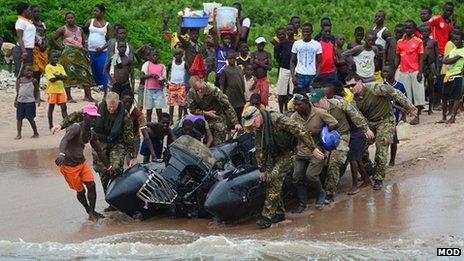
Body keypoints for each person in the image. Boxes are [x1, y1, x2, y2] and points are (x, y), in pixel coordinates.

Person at [242, 105, 322, 228]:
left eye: (254, 122)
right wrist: (262, 169)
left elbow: (299, 130)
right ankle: (279, 213)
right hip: (274, 153)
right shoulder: (258, 128)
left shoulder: (277, 119)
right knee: (269, 179)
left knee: (274, 177)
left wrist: (313, 148)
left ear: (258, 115)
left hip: (288, 152)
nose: (253, 125)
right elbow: (260, 148)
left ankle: (266, 216)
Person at [53, 92, 135, 204]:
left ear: (118, 104)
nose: (111, 109)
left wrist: (131, 154)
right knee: (103, 171)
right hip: (99, 140)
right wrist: (61, 125)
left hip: (117, 142)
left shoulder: (124, 114)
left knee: (115, 168)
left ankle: (118, 196)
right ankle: (110, 199)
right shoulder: (95, 109)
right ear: (105, 102)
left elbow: (129, 134)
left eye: (114, 107)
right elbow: (77, 115)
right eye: (109, 106)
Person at [346, 73, 416, 190]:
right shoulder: (352, 98)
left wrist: (410, 108)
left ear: (359, 82)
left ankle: (378, 177)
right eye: (348, 86)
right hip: (370, 123)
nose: (350, 88)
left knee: (381, 146)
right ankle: (370, 170)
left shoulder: (375, 88)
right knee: (359, 147)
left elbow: (395, 93)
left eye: (352, 85)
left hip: (386, 120)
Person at [312, 87, 373, 202]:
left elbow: (355, 115)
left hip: (342, 136)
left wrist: (366, 129)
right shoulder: (314, 111)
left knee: (335, 162)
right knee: (321, 161)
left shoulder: (339, 104)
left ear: (325, 98)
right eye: (314, 103)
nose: (316, 105)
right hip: (324, 138)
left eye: (318, 102)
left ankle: (329, 193)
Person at [55, 104, 113, 221]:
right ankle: (88, 210)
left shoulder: (91, 134)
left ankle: (92, 212)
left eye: (95, 117)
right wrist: (61, 154)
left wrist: (109, 166)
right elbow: (64, 140)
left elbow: (100, 151)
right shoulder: (75, 128)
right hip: (69, 166)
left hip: (82, 163)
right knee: (80, 191)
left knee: (92, 185)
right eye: (91, 117)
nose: (93, 120)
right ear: (84, 116)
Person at [290, 92, 338, 213]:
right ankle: (302, 203)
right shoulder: (294, 117)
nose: (296, 108)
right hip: (301, 151)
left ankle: (321, 192)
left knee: (311, 175)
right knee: (296, 177)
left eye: (299, 105)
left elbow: (335, 124)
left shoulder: (319, 112)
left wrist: (322, 132)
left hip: (318, 150)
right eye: (295, 105)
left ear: (306, 103)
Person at [51, 12, 94, 102]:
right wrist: (61, 48)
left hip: (80, 54)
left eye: (72, 18)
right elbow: (53, 38)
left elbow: (82, 43)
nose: (70, 19)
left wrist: (86, 52)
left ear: (75, 18)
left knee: (85, 72)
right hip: (68, 55)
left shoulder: (80, 29)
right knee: (68, 74)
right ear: (65, 20)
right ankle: (69, 97)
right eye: (68, 18)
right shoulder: (63, 29)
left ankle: (88, 96)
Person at [187, 76, 242, 146]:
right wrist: (205, 113)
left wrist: (236, 123)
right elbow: (192, 110)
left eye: (201, 88)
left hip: (218, 118)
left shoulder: (213, 90)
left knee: (218, 145)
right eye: (197, 90)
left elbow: (227, 106)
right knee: (205, 145)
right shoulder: (192, 93)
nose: (200, 91)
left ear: (202, 81)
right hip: (204, 120)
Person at [395, 20, 425, 125]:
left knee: (418, 95)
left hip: (415, 71)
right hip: (403, 71)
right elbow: (397, 57)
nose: (407, 30)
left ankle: (417, 117)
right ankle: (405, 116)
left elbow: (421, 57)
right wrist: (394, 69)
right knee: (404, 95)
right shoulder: (399, 42)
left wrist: (420, 72)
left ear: (414, 29)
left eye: (410, 28)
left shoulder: (418, 41)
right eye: (406, 28)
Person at [84, 4, 113, 94]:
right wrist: (84, 44)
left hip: (102, 52)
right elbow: (83, 32)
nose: (94, 13)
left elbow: (110, 40)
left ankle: (105, 93)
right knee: (90, 71)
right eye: (94, 11)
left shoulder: (107, 25)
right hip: (90, 51)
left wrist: (102, 48)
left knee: (104, 71)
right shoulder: (90, 22)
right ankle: (88, 94)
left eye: (96, 11)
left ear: (102, 12)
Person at [382, 65, 407, 167]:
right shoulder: (382, 86)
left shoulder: (400, 86)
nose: (384, 73)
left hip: (395, 117)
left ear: (393, 72)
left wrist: (404, 115)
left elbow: (405, 102)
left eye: (387, 71)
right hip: (384, 117)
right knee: (384, 141)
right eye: (383, 72)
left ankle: (392, 160)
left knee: (394, 140)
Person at [120, 89, 154, 164]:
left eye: (130, 102)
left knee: (131, 161)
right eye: (126, 102)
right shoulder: (116, 110)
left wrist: (153, 153)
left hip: (134, 139)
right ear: (121, 100)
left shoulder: (138, 114)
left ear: (133, 100)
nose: (128, 104)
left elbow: (145, 135)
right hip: (120, 138)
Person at [290, 22, 322, 93]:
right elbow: (292, 61)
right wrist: (293, 76)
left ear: (311, 32)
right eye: (304, 32)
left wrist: (316, 77)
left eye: (307, 32)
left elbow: (320, 62)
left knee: (311, 98)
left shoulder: (317, 44)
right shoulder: (296, 44)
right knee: (299, 97)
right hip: (299, 75)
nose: (305, 34)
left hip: (312, 76)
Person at [440, 32, 464, 124]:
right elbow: (444, 60)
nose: (455, 41)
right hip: (448, 75)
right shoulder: (453, 50)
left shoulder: (462, 50)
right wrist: (446, 60)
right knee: (445, 97)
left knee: (456, 97)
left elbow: (449, 60)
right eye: (453, 40)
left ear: (462, 39)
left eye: (457, 39)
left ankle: (453, 117)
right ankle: (444, 117)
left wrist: (446, 60)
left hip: (457, 75)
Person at [141, 49, 167, 122]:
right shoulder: (147, 64)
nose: (155, 57)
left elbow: (164, 79)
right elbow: (142, 77)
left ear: (159, 56)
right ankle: (148, 125)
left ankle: (159, 125)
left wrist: (160, 80)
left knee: (159, 110)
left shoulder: (162, 66)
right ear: (150, 57)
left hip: (158, 90)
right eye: (153, 55)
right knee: (149, 110)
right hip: (149, 90)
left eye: (156, 55)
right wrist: (151, 75)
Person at [14, 65, 40, 140]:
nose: (29, 72)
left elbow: (37, 90)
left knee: (30, 118)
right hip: (20, 102)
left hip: (30, 102)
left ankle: (35, 132)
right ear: (23, 72)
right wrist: (15, 100)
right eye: (27, 70)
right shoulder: (20, 80)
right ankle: (19, 134)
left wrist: (37, 99)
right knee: (19, 118)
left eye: (31, 71)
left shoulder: (34, 80)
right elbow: (18, 92)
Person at [220, 51, 246, 122]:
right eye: (230, 58)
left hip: (240, 94)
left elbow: (242, 81)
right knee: (231, 112)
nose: (232, 60)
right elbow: (222, 84)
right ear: (228, 59)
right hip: (231, 95)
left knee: (240, 112)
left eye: (234, 58)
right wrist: (221, 96)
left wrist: (244, 91)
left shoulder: (239, 69)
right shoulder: (225, 70)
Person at [275, 24, 295, 113]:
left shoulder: (297, 43)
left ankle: (290, 109)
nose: (290, 32)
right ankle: (281, 111)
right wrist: (282, 61)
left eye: (291, 30)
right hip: (284, 69)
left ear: (294, 31)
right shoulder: (282, 43)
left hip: (294, 70)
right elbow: (276, 56)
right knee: (281, 92)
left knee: (292, 92)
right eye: (288, 30)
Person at [419, 23, 439, 114]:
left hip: (431, 66)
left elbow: (436, 56)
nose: (424, 33)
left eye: (426, 31)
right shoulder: (419, 41)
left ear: (430, 31)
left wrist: (437, 69)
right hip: (422, 66)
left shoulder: (433, 42)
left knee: (431, 87)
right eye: (422, 31)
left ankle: (430, 108)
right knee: (420, 88)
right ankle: (419, 108)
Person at [45, 51, 68, 130]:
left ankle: (66, 124)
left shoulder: (60, 66)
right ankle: (50, 125)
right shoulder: (48, 67)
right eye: (53, 57)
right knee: (51, 108)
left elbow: (65, 77)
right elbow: (52, 79)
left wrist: (57, 76)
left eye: (56, 57)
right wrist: (60, 76)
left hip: (61, 90)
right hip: (52, 90)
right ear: (49, 58)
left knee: (64, 108)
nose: (55, 59)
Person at [13, 2, 36, 78]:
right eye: (29, 9)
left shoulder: (28, 21)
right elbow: (20, 38)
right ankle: (19, 90)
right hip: (22, 50)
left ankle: (27, 89)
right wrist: (24, 51)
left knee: (28, 73)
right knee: (21, 73)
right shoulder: (20, 21)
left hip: (29, 50)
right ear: (24, 10)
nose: (30, 11)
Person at [167, 48, 188, 124]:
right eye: (176, 54)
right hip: (172, 84)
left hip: (181, 85)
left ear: (182, 55)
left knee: (181, 103)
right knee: (171, 103)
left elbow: (187, 73)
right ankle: (170, 119)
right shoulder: (171, 63)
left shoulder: (184, 64)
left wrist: (187, 83)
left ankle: (179, 118)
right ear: (174, 55)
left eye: (179, 54)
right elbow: (167, 71)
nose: (177, 56)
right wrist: (167, 81)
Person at [251, 37, 272, 107]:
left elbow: (269, 68)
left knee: (264, 97)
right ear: (257, 44)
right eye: (260, 44)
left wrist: (258, 62)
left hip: (264, 79)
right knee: (254, 97)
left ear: (265, 44)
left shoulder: (268, 54)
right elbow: (251, 67)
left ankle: (263, 110)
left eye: (263, 44)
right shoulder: (253, 54)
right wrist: (264, 62)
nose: (261, 45)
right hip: (255, 79)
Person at [30, 5, 47, 87]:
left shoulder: (43, 24)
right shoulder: (29, 24)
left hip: (42, 50)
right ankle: (34, 94)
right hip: (34, 49)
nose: (37, 13)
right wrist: (38, 44)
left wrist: (45, 45)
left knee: (39, 72)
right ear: (31, 12)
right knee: (34, 72)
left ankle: (37, 94)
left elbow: (45, 36)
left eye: (38, 11)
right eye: (35, 11)